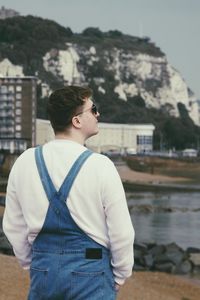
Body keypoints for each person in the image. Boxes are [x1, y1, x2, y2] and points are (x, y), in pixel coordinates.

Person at [3, 85, 134, 299]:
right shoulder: (101, 165)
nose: (98, 114)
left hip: (43, 270)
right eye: (93, 109)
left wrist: (33, 263)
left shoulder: (25, 161)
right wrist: (120, 275)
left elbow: (13, 225)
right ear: (77, 121)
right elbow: (122, 233)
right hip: (91, 273)